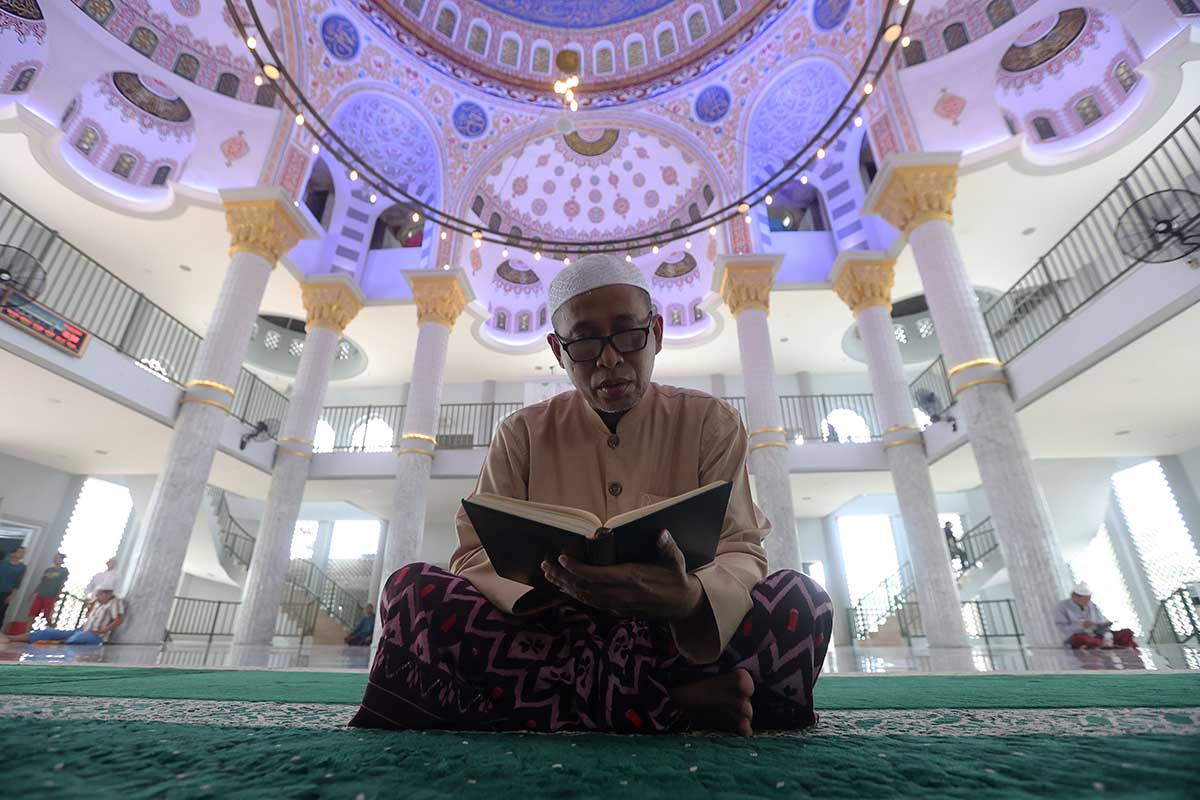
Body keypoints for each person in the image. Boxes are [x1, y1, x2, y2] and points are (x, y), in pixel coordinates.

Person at [352, 253, 834, 735]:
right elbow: (474, 553)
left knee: (801, 602)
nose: (609, 358)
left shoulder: (711, 423)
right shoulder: (521, 434)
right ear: (559, 351)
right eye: (584, 341)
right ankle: (670, 705)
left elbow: (740, 548)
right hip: (550, 634)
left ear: (657, 334)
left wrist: (688, 599)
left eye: (628, 334)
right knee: (412, 592)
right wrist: (553, 595)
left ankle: (569, 707)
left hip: (674, 634)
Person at [0, 583, 124, 646]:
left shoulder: (114, 602)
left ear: (107, 594)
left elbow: (118, 620)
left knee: (76, 639)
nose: (97, 597)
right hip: (82, 630)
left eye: (99, 594)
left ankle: (52, 643)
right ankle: (10, 638)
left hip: (96, 636)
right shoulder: (99, 603)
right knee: (47, 632)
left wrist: (102, 632)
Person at [1054, 582, 1136, 649]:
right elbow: (1062, 629)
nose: (1087, 601)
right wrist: (1081, 626)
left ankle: (1108, 645)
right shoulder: (1062, 607)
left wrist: (1104, 624)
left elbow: (1100, 621)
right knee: (1084, 639)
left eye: (1088, 598)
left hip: (1097, 635)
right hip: (1079, 637)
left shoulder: (1091, 605)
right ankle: (1107, 646)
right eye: (1085, 599)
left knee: (1127, 633)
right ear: (1075, 597)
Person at [27, 552, 69, 626]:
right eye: (55, 557)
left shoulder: (63, 571)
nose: (55, 559)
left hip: (51, 595)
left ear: (62, 560)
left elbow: (62, 584)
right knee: (32, 614)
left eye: (58, 558)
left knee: (48, 615)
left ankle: (50, 631)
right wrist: (33, 592)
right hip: (41, 594)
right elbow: (42, 582)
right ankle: (27, 633)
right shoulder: (48, 570)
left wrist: (58, 595)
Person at [0, 545, 27, 625]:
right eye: (19, 552)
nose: (21, 554)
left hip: (6, 592)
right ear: (14, 553)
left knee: (1, 612)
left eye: (23, 553)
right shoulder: (3, 562)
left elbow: (18, 582)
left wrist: (12, 595)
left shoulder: (22, 567)